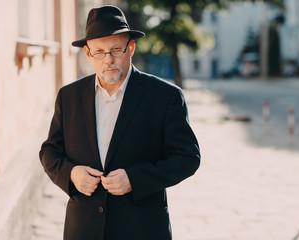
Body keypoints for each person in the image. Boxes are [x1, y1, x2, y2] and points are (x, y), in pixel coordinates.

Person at [39, 5, 200, 240]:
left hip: (142, 229)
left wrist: (135, 179)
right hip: (83, 230)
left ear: (131, 47)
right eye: (99, 52)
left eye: (116, 49)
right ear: (87, 53)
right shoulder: (68, 96)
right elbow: (49, 152)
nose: (109, 60)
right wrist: (71, 173)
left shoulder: (165, 97)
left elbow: (187, 158)